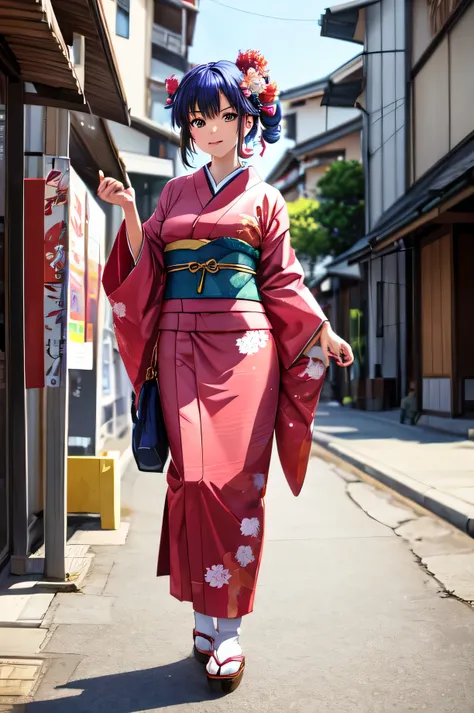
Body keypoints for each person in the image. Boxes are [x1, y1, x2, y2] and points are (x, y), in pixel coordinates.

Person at [97, 50, 354, 694]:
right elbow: (145, 263)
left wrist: (322, 329)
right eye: (199, 117)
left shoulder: (266, 200)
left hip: (246, 348)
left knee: (237, 482)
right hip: (181, 345)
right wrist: (130, 210)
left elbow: (284, 282)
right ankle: (204, 613)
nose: (211, 127)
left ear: (247, 120)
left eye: (224, 115)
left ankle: (228, 627)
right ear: (187, 125)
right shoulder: (175, 195)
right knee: (195, 478)